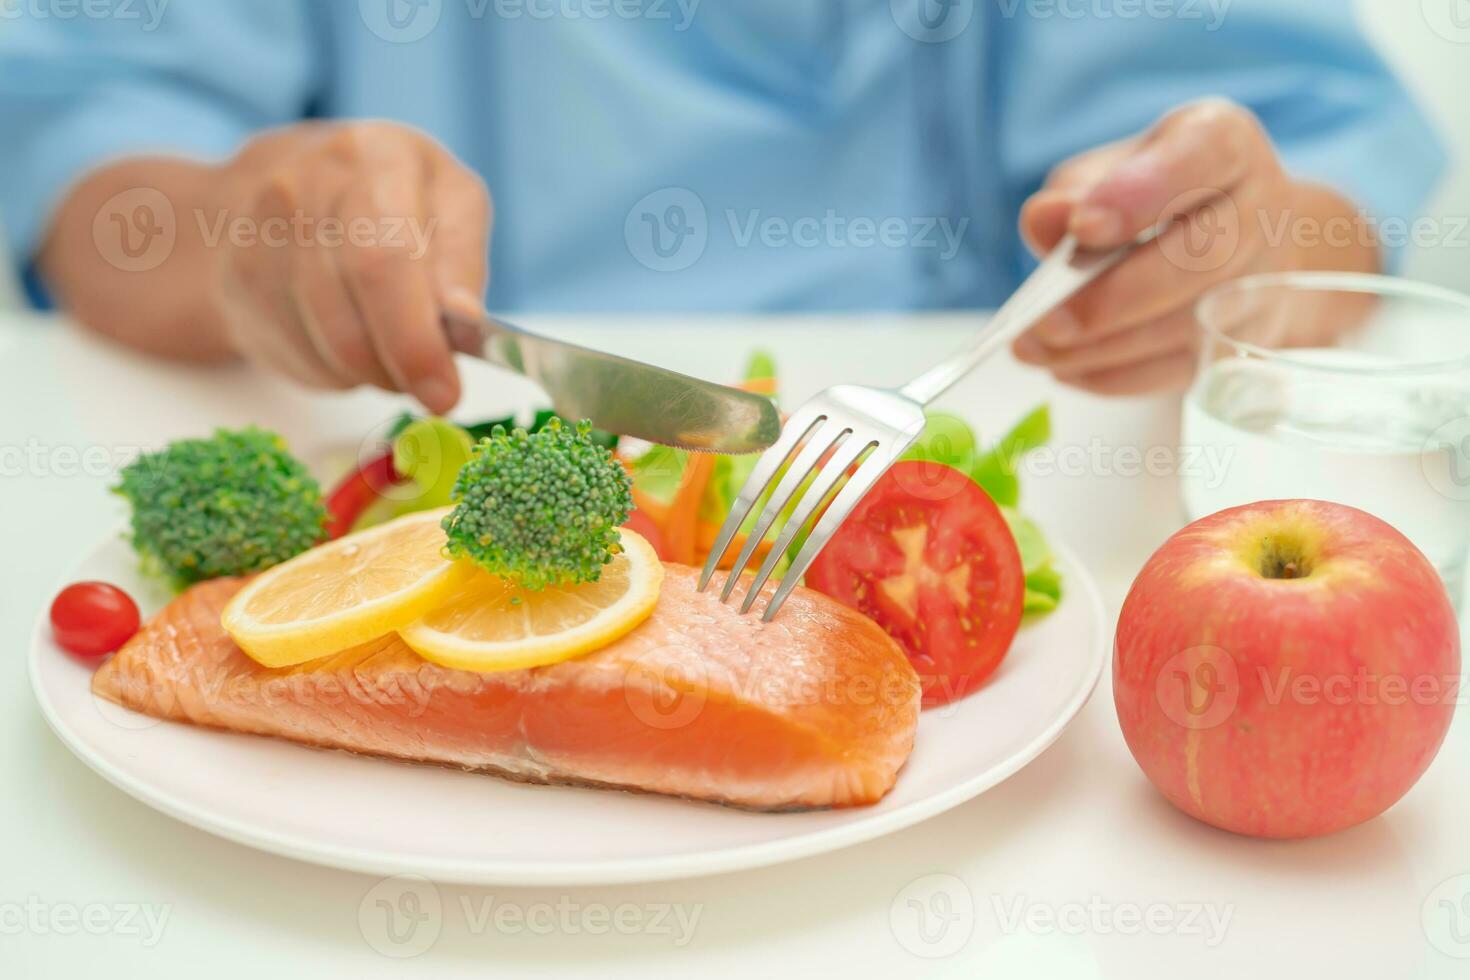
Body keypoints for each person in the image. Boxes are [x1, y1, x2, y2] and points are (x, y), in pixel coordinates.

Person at [0, 2, 1443, 412]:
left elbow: (1312, 184)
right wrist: (243, 228)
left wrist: (1233, 259)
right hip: (376, 420)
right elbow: (93, 164)